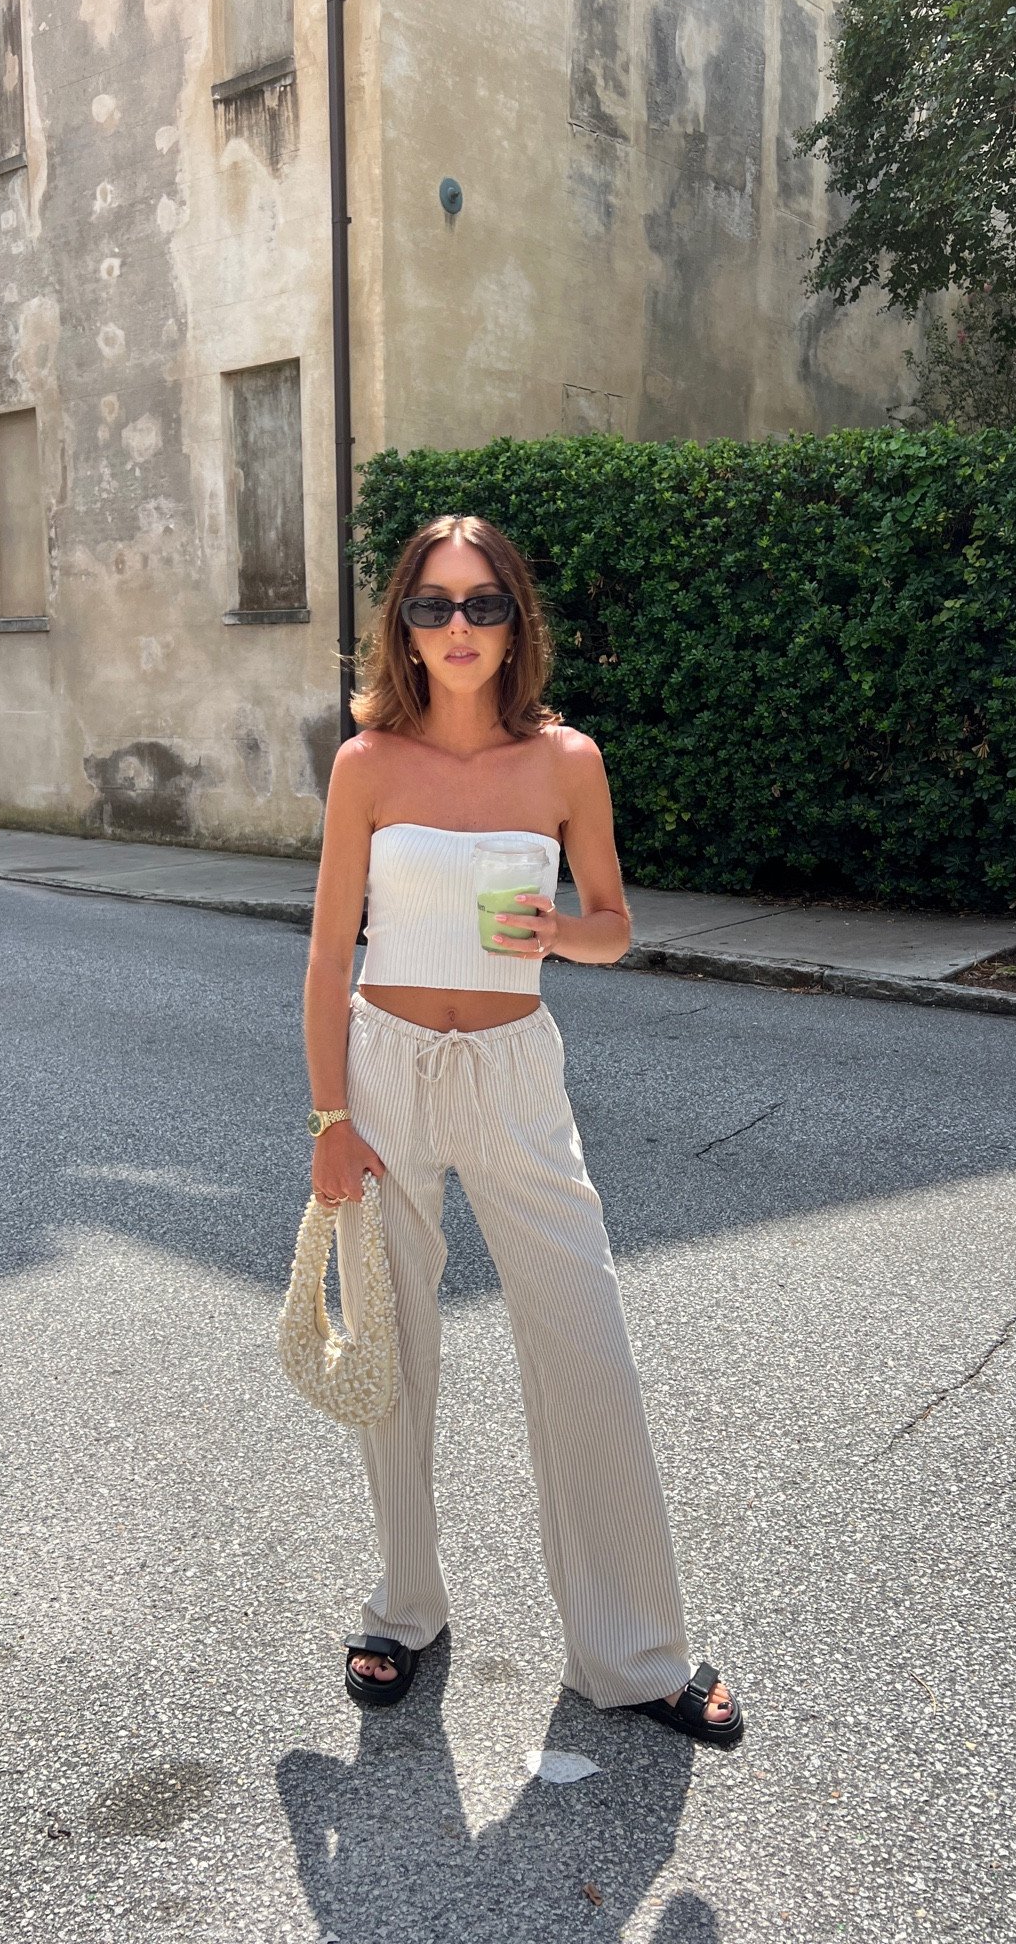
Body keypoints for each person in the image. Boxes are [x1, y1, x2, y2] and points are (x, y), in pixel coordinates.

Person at [302, 514, 742, 1746]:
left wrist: (560, 933)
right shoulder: (367, 762)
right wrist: (331, 1114)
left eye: (482, 604)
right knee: (395, 1347)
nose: (457, 628)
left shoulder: (566, 761)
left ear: (516, 620)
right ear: (402, 621)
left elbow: (613, 920)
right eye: (433, 605)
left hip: (512, 1071)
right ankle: (403, 1603)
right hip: (385, 1069)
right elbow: (332, 946)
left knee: (585, 1339)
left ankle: (635, 1649)